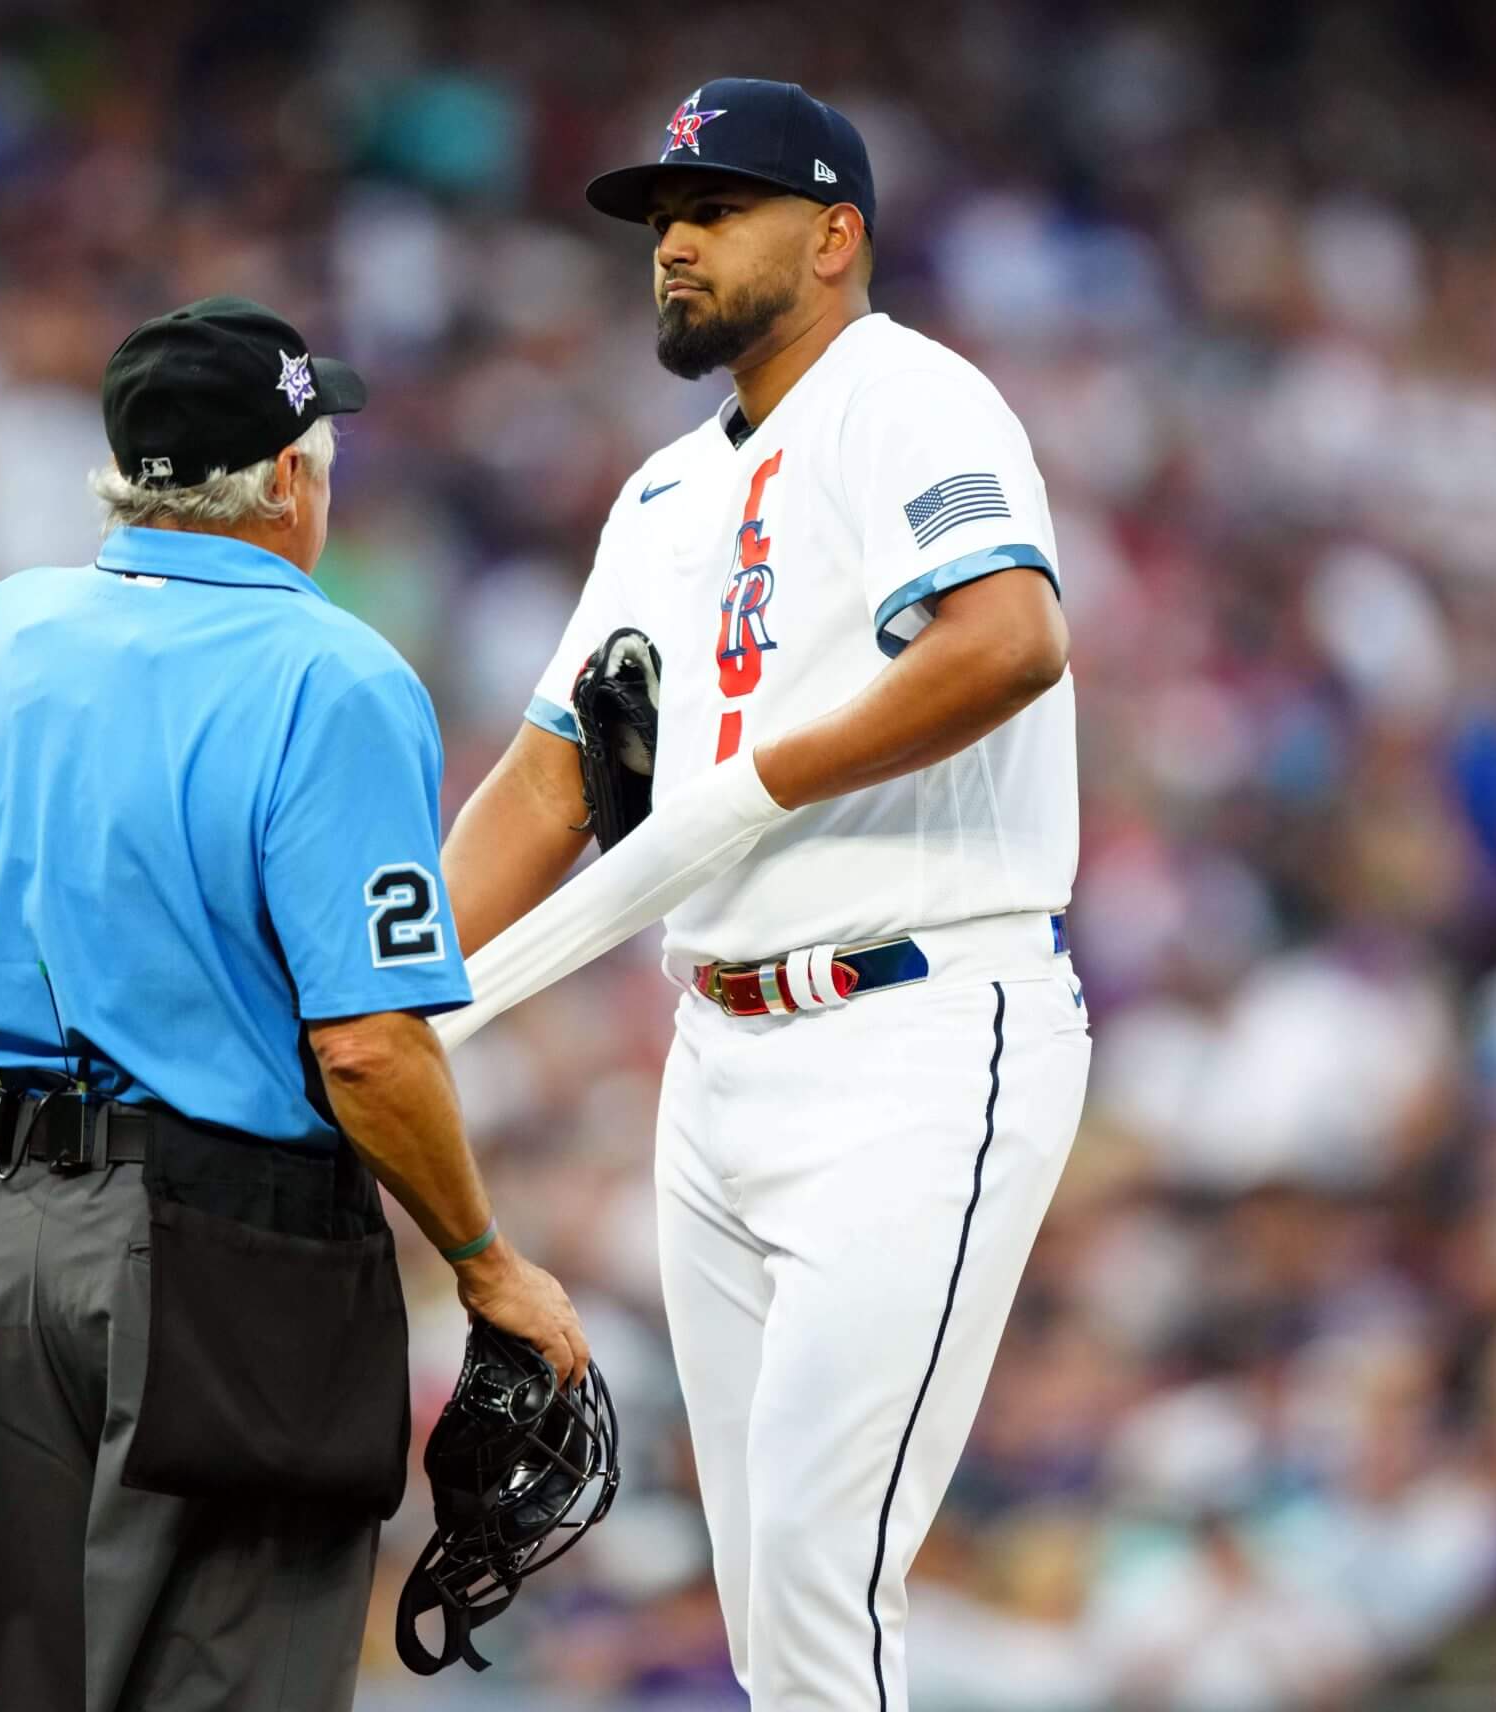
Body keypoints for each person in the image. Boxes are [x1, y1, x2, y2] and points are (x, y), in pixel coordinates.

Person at [440, 80, 1089, 1711]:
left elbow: (1011, 638)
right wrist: (384, 988)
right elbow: (551, 780)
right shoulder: (663, 496)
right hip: (717, 1058)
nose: (672, 243)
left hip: (916, 1025)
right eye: (661, 218)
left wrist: (759, 782)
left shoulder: (909, 397)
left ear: (832, 234)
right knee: (764, 1612)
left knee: (816, 1572)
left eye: (713, 209)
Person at [0, 296, 589, 1712]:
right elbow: (371, 1045)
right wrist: (487, 1263)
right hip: (229, 1255)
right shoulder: (338, 675)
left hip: (2, 1239)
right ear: (295, 479)